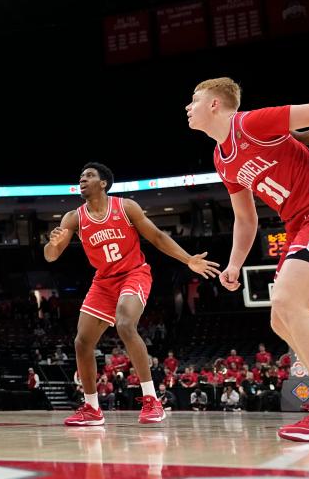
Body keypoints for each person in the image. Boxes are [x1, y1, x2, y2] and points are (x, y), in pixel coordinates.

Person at [186, 78, 309, 441]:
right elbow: (246, 219)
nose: (188, 107)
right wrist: (234, 264)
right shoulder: (221, 157)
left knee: (286, 299)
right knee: (280, 320)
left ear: (215, 104)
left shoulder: (252, 123)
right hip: (297, 221)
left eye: (194, 99)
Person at [45, 162, 221, 426]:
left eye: (89, 176)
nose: (82, 179)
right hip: (103, 281)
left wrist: (188, 260)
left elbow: (158, 237)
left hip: (133, 273)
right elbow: (51, 256)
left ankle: (152, 400)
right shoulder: (73, 218)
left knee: (125, 323)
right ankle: (92, 409)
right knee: (82, 342)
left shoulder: (126, 207)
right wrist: (53, 243)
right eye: (81, 176)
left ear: (103, 183)